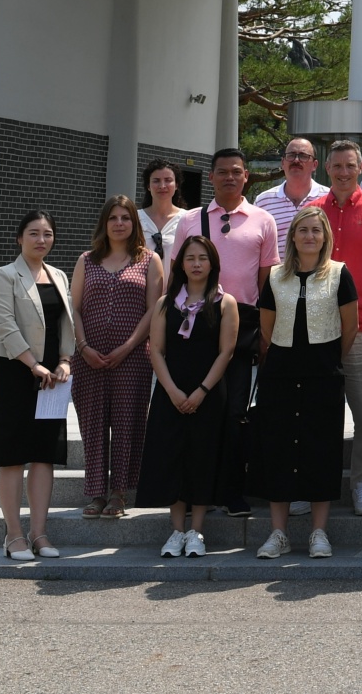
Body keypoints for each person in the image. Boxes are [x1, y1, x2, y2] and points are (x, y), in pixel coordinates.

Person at [168, 149, 279, 517]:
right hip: (195, 322)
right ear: (211, 176)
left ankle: (232, 489)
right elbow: (175, 277)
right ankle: (198, 489)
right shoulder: (189, 220)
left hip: (244, 323)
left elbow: (267, 286)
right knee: (199, 411)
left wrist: (266, 334)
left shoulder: (263, 220)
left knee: (234, 412)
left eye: (236, 172)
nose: (229, 178)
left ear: (246, 175)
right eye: (222, 172)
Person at [248, 205, 355, 558]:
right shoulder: (276, 276)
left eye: (316, 230)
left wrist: (325, 358)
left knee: (320, 448)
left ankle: (318, 532)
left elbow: (349, 328)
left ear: (325, 237)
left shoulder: (340, 274)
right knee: (278, 448)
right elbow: (266, 327)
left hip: (323, 374)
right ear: (292, 235)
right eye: (303, 230)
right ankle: (278, 533)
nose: (310, 236)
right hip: (280, 373)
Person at [305, 139, 362, 517]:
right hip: (315, 328)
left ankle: (361, 483)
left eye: (350, 166)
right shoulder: (311, 211)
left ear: (360, 168)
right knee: (313, 413)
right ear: (327, 168)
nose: (343, 172)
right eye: (337, 166)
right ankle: (308, 485)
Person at [139, 232, 240, 557]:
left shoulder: (225, 303)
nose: (196, 264)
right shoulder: (166, 303)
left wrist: (200, 392)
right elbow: (155, 350)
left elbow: (226, 352)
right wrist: (171, 391)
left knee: (202, 457)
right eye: (190, 258)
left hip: (208, 393)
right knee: (172, 457)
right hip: (171, 391)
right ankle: (176, 530)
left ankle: (196, 530)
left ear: (213, 263)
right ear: (181, 263)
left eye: (203, 258)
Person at [0, 210, 73, 561]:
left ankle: (40, 533)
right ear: (19, 238)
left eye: (48, 234)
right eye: (34, 233)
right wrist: (33, 364)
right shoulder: (4, 275)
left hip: (53, 378)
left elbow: (67, 323)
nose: (41, 240)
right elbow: (5, 325)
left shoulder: (59, 276)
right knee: (12, 456)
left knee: (44, 456)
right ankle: (14, 535)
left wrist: (65, 360)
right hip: (15, 373)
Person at [70, 196, 161, 522]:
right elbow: (74, 308)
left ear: (134, 224)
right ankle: (96, 491)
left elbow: (154, 310)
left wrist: (128, 346)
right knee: (93, 424)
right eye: (113, 218)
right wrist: (82, 347)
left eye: (125, 217)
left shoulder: (149, 260)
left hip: (133, 357)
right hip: (89, 357)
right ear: (104, 223)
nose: (119, 223)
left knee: (127, 423)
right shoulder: (86, 260)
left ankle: (119, 491)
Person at [256, 137, 327, 246]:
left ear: (314, 165)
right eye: (291, 155)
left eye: (303, 156)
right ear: (283, 162)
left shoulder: (328, 198)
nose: (296, 160)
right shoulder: (263, 201)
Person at [140, 159, 187, 261]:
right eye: (156, 181)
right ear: (148, 186)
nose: (162, 186)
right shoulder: (135, 218)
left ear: (176, 185)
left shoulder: (187, 219)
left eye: (168, 180)